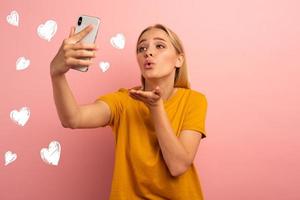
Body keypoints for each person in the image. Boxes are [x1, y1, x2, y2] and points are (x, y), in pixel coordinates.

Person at [50, 23, 208, 200]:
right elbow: (73, 119)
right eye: (142, 48)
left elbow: (177, 165)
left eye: (160, 46)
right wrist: (57, 74)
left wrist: (156, 108)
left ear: (179, 59)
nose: (148, 52)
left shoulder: (194, 100)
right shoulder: (123, 101)